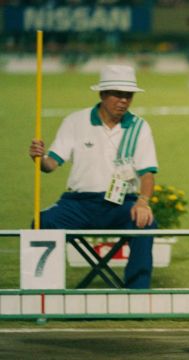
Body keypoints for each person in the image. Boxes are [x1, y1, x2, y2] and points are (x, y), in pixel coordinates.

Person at [28, 64, 158, 289]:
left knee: (146, 223)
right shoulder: (75, 121)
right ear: (102, 94)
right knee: (42, 222)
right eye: (118, 95)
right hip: (78, 204)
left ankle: (138, 294)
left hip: (121, 204)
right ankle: (43, 292)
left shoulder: (140, 126)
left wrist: (143, 202)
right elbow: (51, 164)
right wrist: (39, 158)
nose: (124, 101)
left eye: (128, 95)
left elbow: (147, 172)